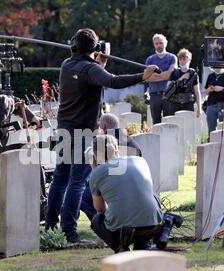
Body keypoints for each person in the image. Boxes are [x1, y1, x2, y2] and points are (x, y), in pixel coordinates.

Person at [45, 28, 158, 242]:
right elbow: (113, 81)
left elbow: (96, 76)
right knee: (76, 182)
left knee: (60, 180)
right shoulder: (89, 69)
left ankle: (51, 227)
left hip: (64, 129)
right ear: (95, 48)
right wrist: (142, 76)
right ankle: (69, 232)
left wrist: (99, 66)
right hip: (83, 132)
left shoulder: (67, 65)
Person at [89, 135, 163, 253]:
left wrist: (94, 171)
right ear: (117, 149)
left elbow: (100, 209)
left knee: (96, 221)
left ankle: (120, 248)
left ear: (95, 155)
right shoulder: (140, 161)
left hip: (123, 230)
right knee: (152, 197)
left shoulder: (97, 173)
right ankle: (144, 245)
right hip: (153, 226)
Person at [145, 34, 178, 124]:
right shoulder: (150, 59)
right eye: (156, 43)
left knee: (169, 123)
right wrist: (164, 75)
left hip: (169, 94)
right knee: (156, 123)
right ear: (154, 44)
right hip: (154, 95)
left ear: (165, 43)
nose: (159, 45)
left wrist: (155, 76)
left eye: (161, 43)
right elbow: (146, 78)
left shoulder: (172, 57)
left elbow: (171, 74)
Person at [165, 49, 201, 118]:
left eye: (184, 59)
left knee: (188, 126)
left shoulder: (193, 74)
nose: (182, 61)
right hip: (174, 104)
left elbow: (197, 92)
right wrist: (181, 79)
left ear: (189, 60)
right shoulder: (174, 72)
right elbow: (168, 88)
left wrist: (199, 108)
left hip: (188, 104)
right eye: (180, 59)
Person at [203, 68, 224, 140]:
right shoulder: (210, 76)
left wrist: (222, 89)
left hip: (223, 105)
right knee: (211, 131)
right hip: (210, 105)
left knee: (223, 129)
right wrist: (209, 90)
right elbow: (205, 92)